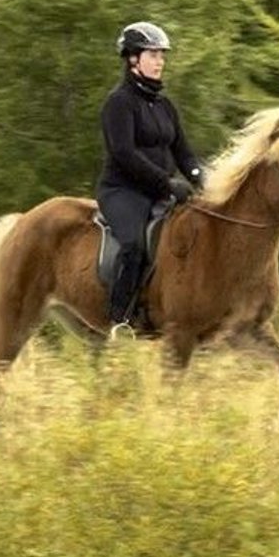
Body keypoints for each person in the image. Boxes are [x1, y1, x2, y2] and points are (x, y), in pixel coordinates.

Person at [97, 21, 205, 334]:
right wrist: (166, 183)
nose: (160, 61)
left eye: (162, 55)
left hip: (159, 192)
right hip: (123, 192)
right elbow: (124, 154)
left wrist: (203, 180)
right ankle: (119, 319)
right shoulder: (119, 103)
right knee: (133, 245)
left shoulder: (165, 106)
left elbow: (184, 154)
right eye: (153, 54)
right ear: (133, 59)